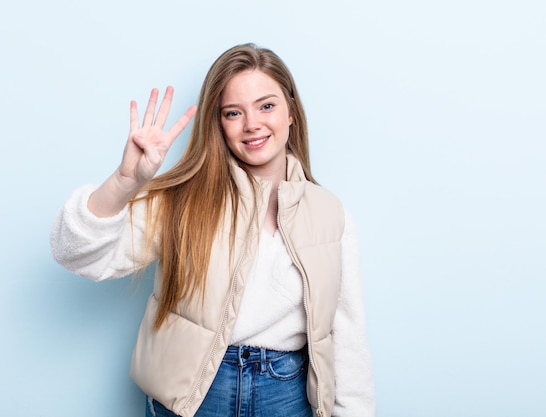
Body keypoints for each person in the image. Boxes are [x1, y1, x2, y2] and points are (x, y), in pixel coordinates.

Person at [51, 43, 375, 417]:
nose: (252, 124)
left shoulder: (331, 213)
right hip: (194, 395)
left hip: (286, 394)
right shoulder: (184, 201)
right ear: (218, 123)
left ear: (290, 112)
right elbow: (77, 254)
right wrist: (124, 181)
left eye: (266, 106)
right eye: (233, 112)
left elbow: (348, 337)